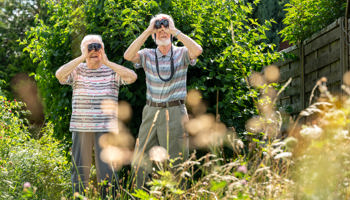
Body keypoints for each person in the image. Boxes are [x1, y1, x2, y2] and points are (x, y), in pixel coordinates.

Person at [124, 13, 202, 189]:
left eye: (165, 28)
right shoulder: (147, 55)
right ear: (153, 35)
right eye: (158, 30)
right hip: (151, 111)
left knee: (177, 162)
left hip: (175, 111)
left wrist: (174, 31)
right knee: (140, 160)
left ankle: (179, 195)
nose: (162, 31)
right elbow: (128, 55)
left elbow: (197, 51)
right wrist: (147, 31)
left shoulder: (182, 53)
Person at [55, 34, 137, 196]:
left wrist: (106, 61)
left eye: (97, 47)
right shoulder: (77, 71)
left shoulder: (112, 72)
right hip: (81, 127)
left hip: (106, 129)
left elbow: (132, 77)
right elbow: (59, 75)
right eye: (90, 47)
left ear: (103, 50)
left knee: (108, 171)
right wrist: (82, 57)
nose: (94, 50)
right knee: (80, 171)